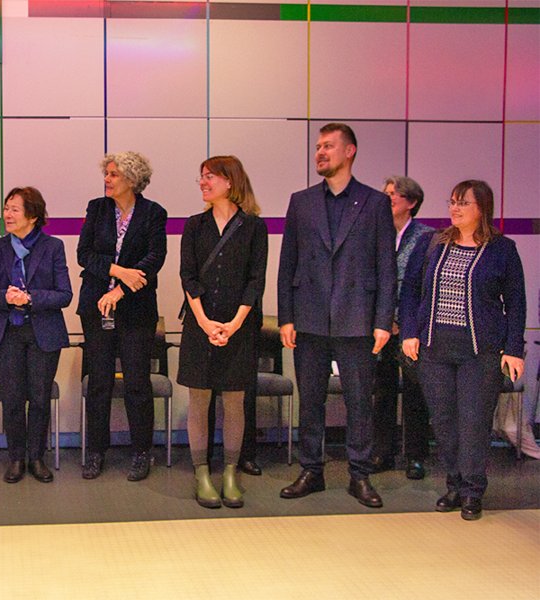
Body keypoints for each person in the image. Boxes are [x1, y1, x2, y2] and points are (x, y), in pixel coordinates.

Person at [277, 123, 396, 508]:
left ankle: (359, 475)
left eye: (328, 146)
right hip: (308, 316)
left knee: (360, 401)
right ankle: (312, 469)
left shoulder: (376, 203)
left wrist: (383, 320)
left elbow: (386, 267)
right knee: (311, 398)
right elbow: (287, 263)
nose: (320, 153)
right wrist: (286, 316)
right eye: (317, 147)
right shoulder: (301, 200)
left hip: (358, 316)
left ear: (350, 151)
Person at [400, 180, 525, 520]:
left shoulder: (502, 249)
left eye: (463, 203)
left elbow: (516, 303)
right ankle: (454, 484)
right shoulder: (431, 243)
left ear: (481, 208)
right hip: (434, 348)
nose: (454, 208)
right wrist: (408, 332)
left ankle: (472, 490)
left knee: (473, 422)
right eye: (452, 202)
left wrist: (514, 349)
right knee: (443, 421)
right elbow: (410, 291)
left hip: (480, 352)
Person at [178, 156, 267, 508]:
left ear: (230, 181)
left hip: (239, 326)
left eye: (209, 176)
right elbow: (188, 276)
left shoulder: (254, 227)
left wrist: (234, 323)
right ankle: (202, 474)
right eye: (200, 176)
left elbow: (255, 280)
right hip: (200, 324)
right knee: (199, 400)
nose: (202, 182)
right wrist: (202, 321)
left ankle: (230, 473)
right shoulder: (194, 225)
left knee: (235, 401)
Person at [77, 151, 167, 481]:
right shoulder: (96, 208)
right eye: (107, 173)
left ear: (131, 179)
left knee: (136, 384)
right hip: (96, 308)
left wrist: (121, 289)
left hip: (136, 312)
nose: (107, 179)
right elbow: (84, 254)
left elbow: (154, 258)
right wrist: (117, 271)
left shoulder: (154, 213)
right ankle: (96, 452)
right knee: (99, 383)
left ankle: (142, 452)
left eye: (114, 174)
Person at [0, 187, 72, 484]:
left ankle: (37, 458)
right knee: (13, 399)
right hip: (7, 334)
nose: (8, 214)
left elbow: (65, 295)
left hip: (43, 333)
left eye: (14, 209)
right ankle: (16, 458)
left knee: (40, 398)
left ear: (32, 215)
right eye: (6, 207)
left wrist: (30, 298)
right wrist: (7, 298)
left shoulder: (53, 246)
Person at [370, 176, 434, 480]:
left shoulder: (427, 237)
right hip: (380, 326)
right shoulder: (375, 234)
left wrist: (405, 323)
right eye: (386, 194)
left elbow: (425, 287)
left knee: (415, 392)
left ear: (411, 202)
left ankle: (416, 456)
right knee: (381, 392)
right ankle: (382, 451)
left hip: (412, 328)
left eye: (393, 195)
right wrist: (383, 320)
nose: (388, 199)